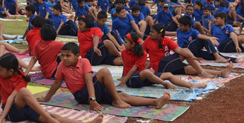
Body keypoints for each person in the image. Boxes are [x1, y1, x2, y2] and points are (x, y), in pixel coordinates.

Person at [38, 42, 170, 111]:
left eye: (68, 55)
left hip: (92, 93)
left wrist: (93, 99)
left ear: (77, 56)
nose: (65, 58)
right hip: (82, 96)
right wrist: (46, 98)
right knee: (104, 72)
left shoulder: (84, 62)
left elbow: (89, 81)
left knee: (122, 96)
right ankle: (116, 101)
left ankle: (155, 102)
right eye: (63, 55)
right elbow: (56, 83)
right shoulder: (62, 66)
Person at [0, 53, 103, 123]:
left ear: (11, 71)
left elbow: (13, 98)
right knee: (24, 92)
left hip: (23, 108)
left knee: (50, 115)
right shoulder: (0, 75)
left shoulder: (21, 78)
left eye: (0, 69)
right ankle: (52, 122)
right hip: (11, 113)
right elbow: (0, 95)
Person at [117, 32, 206, 90]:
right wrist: (123, 78)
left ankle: (190, 85)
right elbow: (126, 65)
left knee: (169, 75)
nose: (124, 44)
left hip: (143, 77)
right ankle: (165, 84)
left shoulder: (142, 54)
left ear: (132, 45)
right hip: (132, 80)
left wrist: (123, 81)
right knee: (146, 72)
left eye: (126, 42)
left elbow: (135, 68)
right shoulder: (124, 52)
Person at [144, 23, 233, 78]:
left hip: (168, 63)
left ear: (160, 34)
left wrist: (192, 57)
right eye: (150, 32)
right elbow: (142, 53)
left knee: (189, 68)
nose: (150, 33)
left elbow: (179, 49)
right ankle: (202, 72)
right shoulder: (148, 40)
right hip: (161, 66)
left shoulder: (167, 40)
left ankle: (221, 73)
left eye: (152, 32)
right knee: (185, 52)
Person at [177, 15, 244, 63]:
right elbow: (200, 37)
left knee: (210, 55)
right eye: (179, 25)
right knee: (204, 39)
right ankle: (218, 57)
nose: (179, 27)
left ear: (187, 26)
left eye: (181, 25)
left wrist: (209, 38)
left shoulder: (193, 31)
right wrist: (209, 38)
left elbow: (199, 35)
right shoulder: (179, 30)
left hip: (193, 52)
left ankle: (235, 60)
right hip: (184, 50)